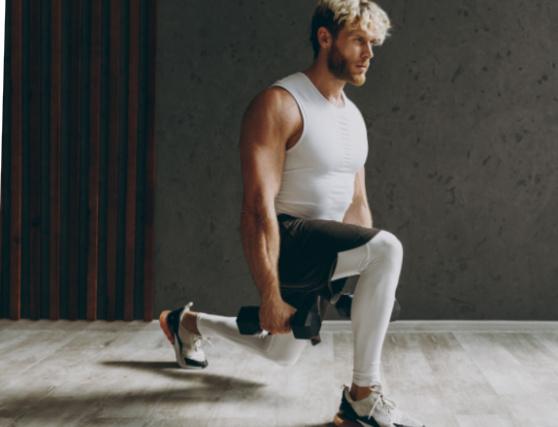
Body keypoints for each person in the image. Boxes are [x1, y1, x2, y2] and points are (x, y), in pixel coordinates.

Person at [158, 1, 425, 426]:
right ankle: (361, 399)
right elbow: (255, 207)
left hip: (324, 243)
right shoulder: (279, 103)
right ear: (325, 38)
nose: (369, 54)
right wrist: (269, 294)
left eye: (372, 43)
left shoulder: (353, 117)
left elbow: (356, 204)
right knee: (389, 247)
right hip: (288, 239)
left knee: (279, 351)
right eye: (359, 40)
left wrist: (366, 279)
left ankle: (185, 323)